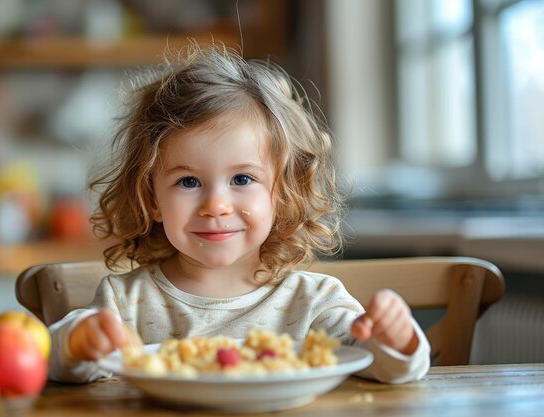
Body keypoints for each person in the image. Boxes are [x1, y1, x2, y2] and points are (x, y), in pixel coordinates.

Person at [48, 42, 430, 384]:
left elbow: (382, 367)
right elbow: (57, 362)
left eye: (243, 178)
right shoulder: (124, 302)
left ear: (281, 195)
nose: (216, 205)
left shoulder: (314, 303)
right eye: (188, 182)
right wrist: (79, 340)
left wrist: (397, 339)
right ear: (151, 199)